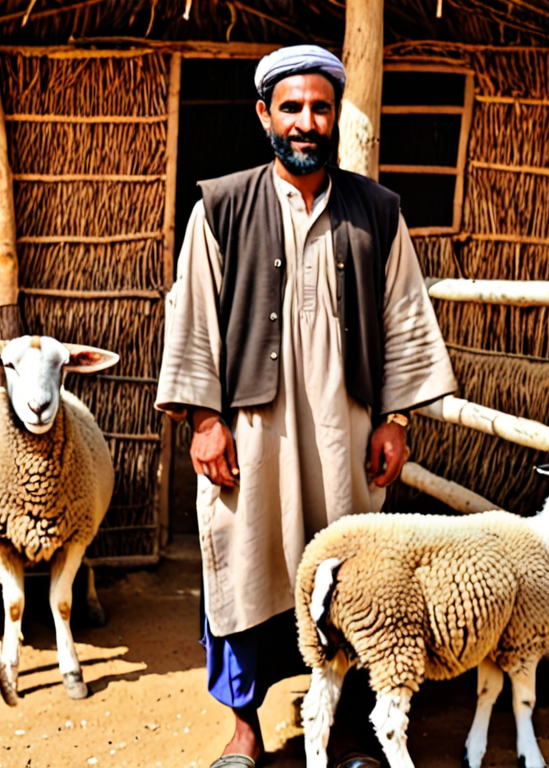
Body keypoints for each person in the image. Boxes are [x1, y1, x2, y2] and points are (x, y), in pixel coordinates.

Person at [155, 44, 457, 768]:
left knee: (352, 578)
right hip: (251, 437)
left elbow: (404, 314)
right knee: (242, 563)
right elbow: (192, 313)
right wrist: (203, 421)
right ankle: (244, 729)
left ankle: (348, 725)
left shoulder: (376, 213)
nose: (306, 121)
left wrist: (396, 419)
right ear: (265, 114)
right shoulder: (221, 208)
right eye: (291, 107)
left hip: (343, 432)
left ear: (335, 118)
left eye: (320, 108)